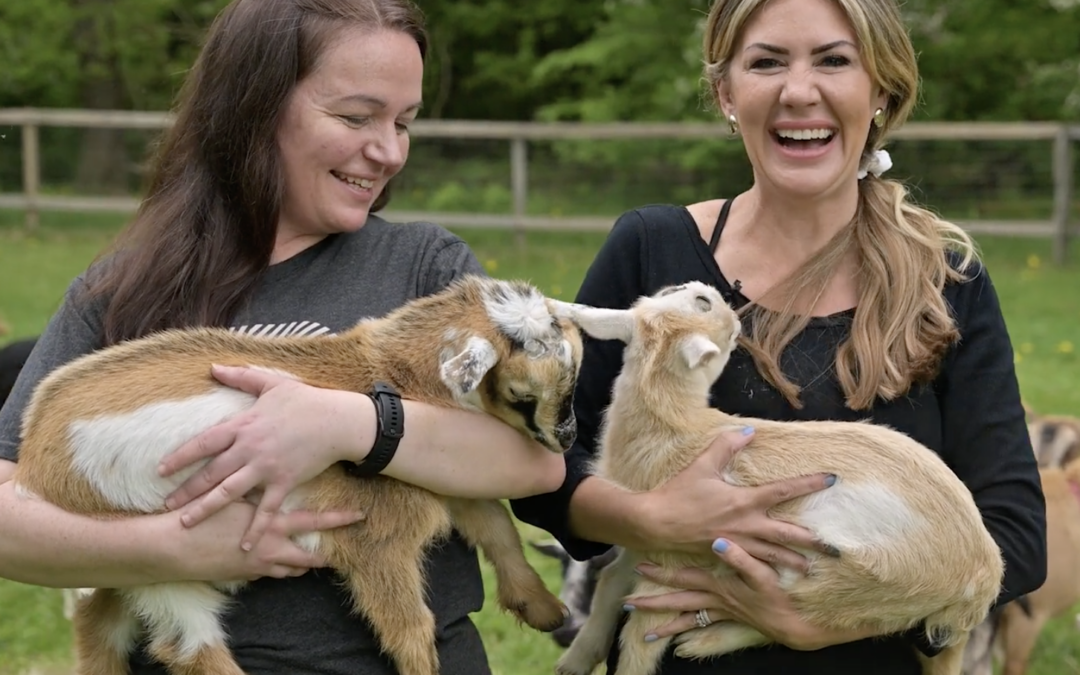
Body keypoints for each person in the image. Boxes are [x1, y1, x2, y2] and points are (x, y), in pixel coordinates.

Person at [0, 1, 569, 673]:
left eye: (404, 122)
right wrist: (173, 548)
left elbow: (533, 463)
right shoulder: (122, 289)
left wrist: (349, 424)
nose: (388, 150)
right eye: (356, 117)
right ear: (255, 105)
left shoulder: (425, 269)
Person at [511, 0, 1048, 673]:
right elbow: (539, 468)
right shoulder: (652, 252)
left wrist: (826, 617)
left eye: (834, 60)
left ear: (879, 89)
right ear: (726, 92)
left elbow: (1016, 536)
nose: (799, 92)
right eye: (767, 62)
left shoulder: (946, 281)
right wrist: (649, 521)